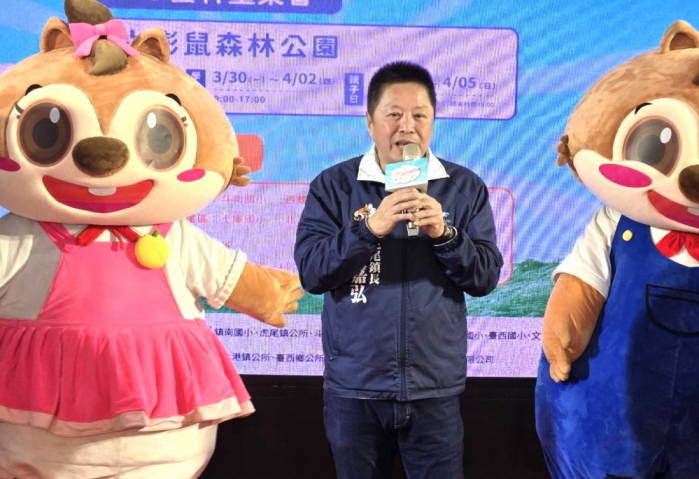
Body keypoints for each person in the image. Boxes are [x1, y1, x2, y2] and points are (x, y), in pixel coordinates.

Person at [294, 61, 503, 479]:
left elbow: (484, 277)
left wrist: (445, 234)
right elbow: (313, 272)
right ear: (370, 123)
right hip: (355, 389)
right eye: (394, 114)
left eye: (419, 115)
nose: (407, 126)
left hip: (433, 389)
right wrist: (369, 229)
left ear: (433, 122)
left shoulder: (463, 187)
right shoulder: (333, 185)